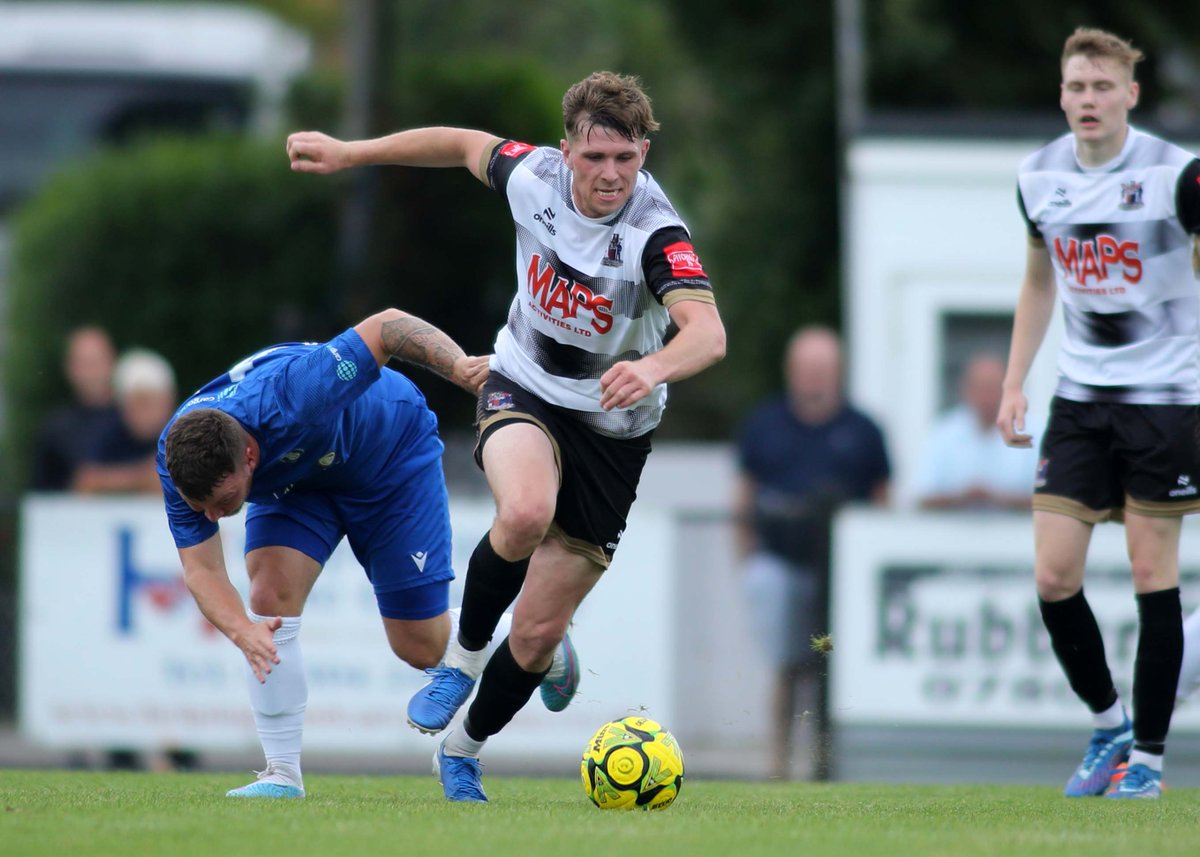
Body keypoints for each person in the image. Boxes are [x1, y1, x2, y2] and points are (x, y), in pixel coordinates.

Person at [286, 70, 726, 802]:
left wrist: (651, 367)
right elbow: (459, 143)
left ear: (644, 152)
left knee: (534, 636)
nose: (611, 174)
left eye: (626, 158)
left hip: (614, 434)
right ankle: (459, 659)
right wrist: (350, 153)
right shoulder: (533, 177)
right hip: (520, 384)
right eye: (595, 158)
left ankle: (461, 750)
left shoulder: (656, 232)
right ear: (566, 152)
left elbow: (707, 334)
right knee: (523, 511)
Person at [158, 307, 577, 799]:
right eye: (201, 507)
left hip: (387, 451)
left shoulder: (297, 393)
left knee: (419, 646)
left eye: (225, 503)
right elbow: (202, 570)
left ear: (249, 455)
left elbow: (387, 327)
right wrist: (244, 631)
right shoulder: (178, 459)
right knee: (268, 596)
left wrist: (460, 366)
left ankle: (537, 636)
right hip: (302, 483)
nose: (212, 516)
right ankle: (281, 775)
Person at [997, 27, 1200, 800]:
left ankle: (1147, 759)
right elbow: (1038, 282)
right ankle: (1109, 722)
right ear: (1062, 94)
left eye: (1103, 87)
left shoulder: (1176, 175)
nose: (1089, 100)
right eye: (1077, 87)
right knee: (1053, 576)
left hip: (1165, 400)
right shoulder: (1037, 176)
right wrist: (1017, 382)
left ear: (1131, 95)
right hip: (1080, 400)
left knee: (1154, 574)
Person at [732, 326, 889, 781]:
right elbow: (743, 498)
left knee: (831, 668)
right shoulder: (764, 425)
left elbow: (882, 500)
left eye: (822, 369)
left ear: (837, 372)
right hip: (781, 564)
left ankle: (827, 761)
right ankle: (778, 763)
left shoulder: (864, 431)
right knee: (787, 664)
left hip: (841, 577)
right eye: (806, 369)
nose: (814, 378)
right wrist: (745, 558)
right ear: (791, 372)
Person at [914, 352, 1035, 511]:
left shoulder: (1033, 432)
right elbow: (921, 498)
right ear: (966, 389)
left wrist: (996, 498)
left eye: (992, 388)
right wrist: (960, 498)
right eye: (981, 388)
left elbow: (1050, 500)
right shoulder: (944, 432)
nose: (987, 397)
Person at [74, 348, 177, 495]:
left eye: (150, 401)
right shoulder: (109, 435)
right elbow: (86, 482)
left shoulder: (181, 435)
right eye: (138, 402)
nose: (145, 411)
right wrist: (142, 477)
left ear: (168, 402)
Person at [30, 325, 118, 490]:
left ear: (112, 362)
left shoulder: (135, 422)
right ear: (70, 368)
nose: (92, 371)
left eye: (96, 361)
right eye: (84, 363)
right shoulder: (54, 430)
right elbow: (41, 497)